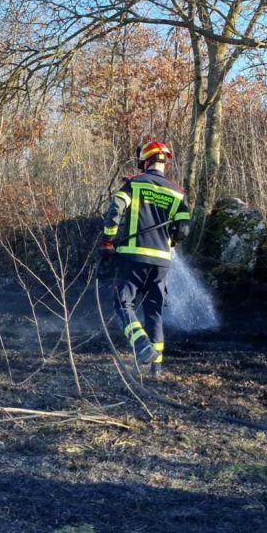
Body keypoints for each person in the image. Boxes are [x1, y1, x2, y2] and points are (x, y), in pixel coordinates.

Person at [100, 141, 191, 378]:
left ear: (145, 161)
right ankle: (156, 367)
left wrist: (108, 241)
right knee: (154, 311)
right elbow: (183, 230)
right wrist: (168, 244)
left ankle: (141, 345)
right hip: (162, 262)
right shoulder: (177, 193)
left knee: (122, 303)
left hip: (133, 257)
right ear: (164, 163)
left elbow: (114, 211)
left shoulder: (134, 184)